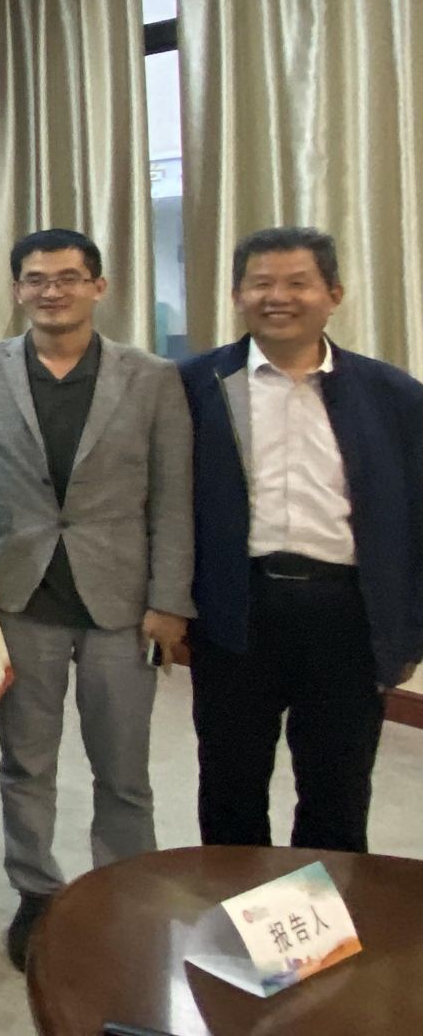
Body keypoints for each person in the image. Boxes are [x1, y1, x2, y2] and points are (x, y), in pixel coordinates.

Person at [0, 228, 193, 971]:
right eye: (36, 279)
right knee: (26, 763)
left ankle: (127, 891)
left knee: (124, 770)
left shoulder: (151, 376)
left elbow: (172, 497)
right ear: (17, 289)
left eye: (68, 277)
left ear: (98, 286)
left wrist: (169, 601)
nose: (51, 291)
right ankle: (37, 892)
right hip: (21, 596)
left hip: (123, 602)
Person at [181, 226, 423, 853]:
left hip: (347, 614)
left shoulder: (392, 394)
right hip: (236, 610)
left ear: (333, 294)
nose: (277, 297)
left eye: (298, 283)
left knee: (337, 788)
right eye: (261, 283)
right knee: (230, 784)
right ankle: (236, 906)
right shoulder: (194, 386)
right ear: (237, 294)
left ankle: (325, 909)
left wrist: (409, 629)